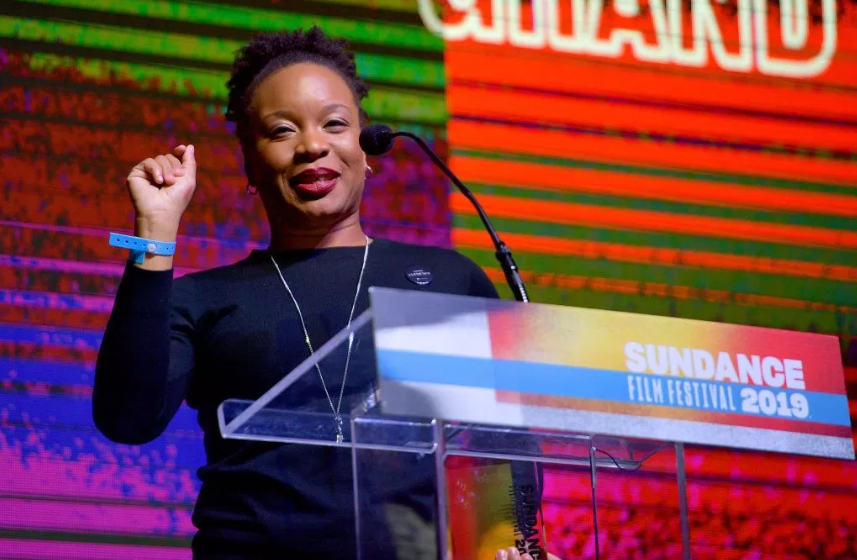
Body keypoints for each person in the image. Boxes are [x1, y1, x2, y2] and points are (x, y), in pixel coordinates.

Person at [93, 27, 515, 559]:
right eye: (282, 130)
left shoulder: (449, 280)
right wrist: (154, 232)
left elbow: (505, 444)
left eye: (335, 124)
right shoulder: (201, 299)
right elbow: (127, 419)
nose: (313, 144)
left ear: (368, 149)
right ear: (250, 165)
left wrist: (509, 542)